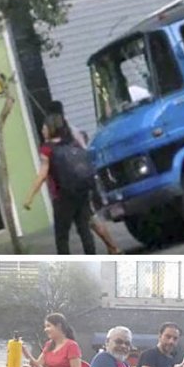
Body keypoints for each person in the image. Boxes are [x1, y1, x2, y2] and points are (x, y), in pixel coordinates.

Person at [47, 101, 122, 255]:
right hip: (84, 180)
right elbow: (84, 149)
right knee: (88, 222)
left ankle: (113, 247)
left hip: (71, 185)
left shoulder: (57, 133)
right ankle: (111, 248)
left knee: (90, 220)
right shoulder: (70, 129)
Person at [23, 113, 97, 255]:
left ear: (50, 128)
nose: (42, 130)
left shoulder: (47, 149)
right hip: (81, 193)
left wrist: (30, 197)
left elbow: (43, 175)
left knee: (62, 236)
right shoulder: (72, 143)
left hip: (62, 197)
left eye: (44, 127)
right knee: (84, 230)